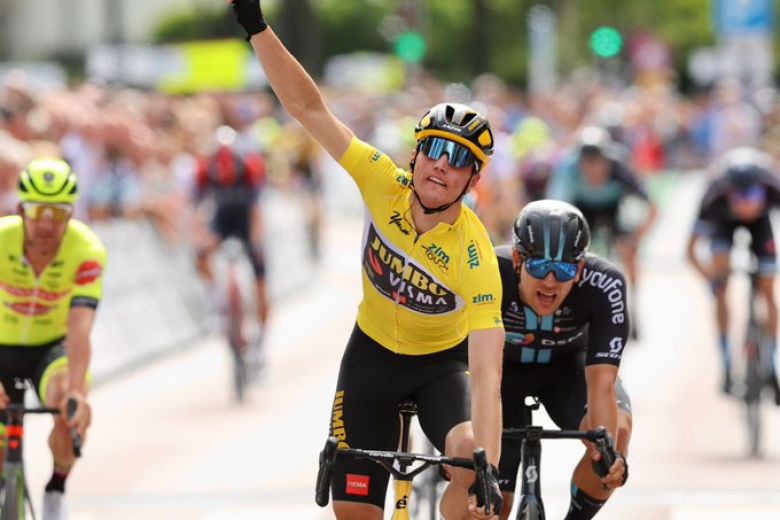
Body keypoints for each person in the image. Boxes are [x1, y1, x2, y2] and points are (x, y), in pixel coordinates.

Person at [229, 2, 505, 518]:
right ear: (414, 155)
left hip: (440, 367)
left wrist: (488, 465)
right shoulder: (381, 181)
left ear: (473, 179)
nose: (441, 167)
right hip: (371, 358)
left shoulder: (475, 254)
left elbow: (487, 373)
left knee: (472, 460)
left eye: (459, 161)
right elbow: (308, 108)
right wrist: (255, 26)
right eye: (434, 151)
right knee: (356, 513)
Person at [496, 200, 631, 520]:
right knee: (494, 502)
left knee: (615, 438)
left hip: (568, 369)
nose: (550, 281)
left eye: (565, 270)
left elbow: (602, 382)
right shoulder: (490, 271)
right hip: (500, 372)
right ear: (517, 260)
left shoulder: (604, 283)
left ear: (580, 268)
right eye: (539, 267)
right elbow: (462, 365)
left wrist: (606, 453)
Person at [0, 158, 106, 520]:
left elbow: (80, 326)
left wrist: (76, 391)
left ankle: (56, 489)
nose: (47, 223)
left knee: (68, 406)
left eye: (57, 213)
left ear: (71, 214)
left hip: (51, 348)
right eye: (38, 211)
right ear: (20, 210)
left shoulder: (87, 249)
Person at [686, 147, 780, 399]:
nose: (747, 205)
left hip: (762, 226)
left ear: (763, 191)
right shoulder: (713, 199)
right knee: (721, 285)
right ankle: (727, 361)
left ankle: (771, 361)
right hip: (723, 226)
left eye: (753, 196)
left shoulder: (773, 187)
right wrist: (711, 278)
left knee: (768, 290)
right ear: (728, 194)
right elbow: (690, 251)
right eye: (740, 197)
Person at [547, 126, 657, 339]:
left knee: (627, 250)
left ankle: (633, 306)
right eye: (586, 164)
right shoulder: (568, 169)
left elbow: (653, 208)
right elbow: (554, 208)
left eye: (597, 163)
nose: (592, 171)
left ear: (606, 161)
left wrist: (636, 237)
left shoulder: (620, 168)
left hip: (612, 208)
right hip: (582, 208)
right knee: (570, 252)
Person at [192, 125, 270, 369]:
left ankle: (261, 342)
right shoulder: (205, 169)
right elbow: (198, 208)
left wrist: (256, 241)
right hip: (222, 221)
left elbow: (257, 209)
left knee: (260, 279)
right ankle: (216, 304)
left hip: (246, 220)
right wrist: (201, 238)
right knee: (200, 256)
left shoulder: (249, 167)